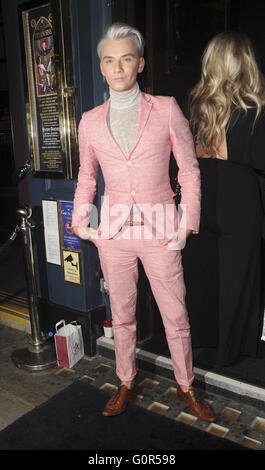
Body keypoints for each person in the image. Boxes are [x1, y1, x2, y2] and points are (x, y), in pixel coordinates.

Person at [72, 22, 215, 421]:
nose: (117, 68)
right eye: (109, 61)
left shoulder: (166, 108)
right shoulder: (90, 121)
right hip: (113, 233)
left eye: (126, 59)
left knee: (176, 314)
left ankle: (186, 385)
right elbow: (87, 175)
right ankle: (126, 380)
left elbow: (189, 169)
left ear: (140, 64)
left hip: (161, 230)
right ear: (101, 68)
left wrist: (186, 224)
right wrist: (82, 221)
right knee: (122, 315)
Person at [182, 31, 265, 367]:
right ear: (246, 63)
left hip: (203, 195)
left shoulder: (196, 104)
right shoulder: (256, 108)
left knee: (202, 274)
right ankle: (231, 353)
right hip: (240, 198)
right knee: (238, 279)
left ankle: (201, 345)